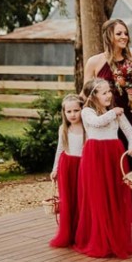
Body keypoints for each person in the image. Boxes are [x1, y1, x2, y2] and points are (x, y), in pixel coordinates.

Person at [84, 19, 132, 225]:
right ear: (108, 36)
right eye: (119, 33)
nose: (124, 37)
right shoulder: (95, 62)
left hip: (129, 117)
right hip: (104, 122)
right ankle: (106, 217)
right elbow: (86, 94)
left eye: (125, 33)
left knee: (128, 164)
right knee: (105, 170)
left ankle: (127, 218)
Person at [73, 78, 132, 259]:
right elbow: (97, 122)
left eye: (109, 91)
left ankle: (114, 237)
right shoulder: (87, 112)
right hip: (95, 157)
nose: (109, 95)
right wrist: (113, 113)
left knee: (114, 195)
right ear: (93, 96)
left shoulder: (115, 112)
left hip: (114, 155)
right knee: (98, 195)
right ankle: (99, 238)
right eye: (104, 93)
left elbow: (130, 132)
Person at [49, 94, 85, 248]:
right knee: (68, 199)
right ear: (64, 112)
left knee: (82, 198)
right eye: (68, 111)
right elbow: (60, 149)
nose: (72, 114)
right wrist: (55, 169)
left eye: (76, 110)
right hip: (67, 166)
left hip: (83, 165)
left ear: (82, 109)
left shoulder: (87, 128)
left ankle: (81, 232)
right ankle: (68, 232)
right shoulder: (63, 129)